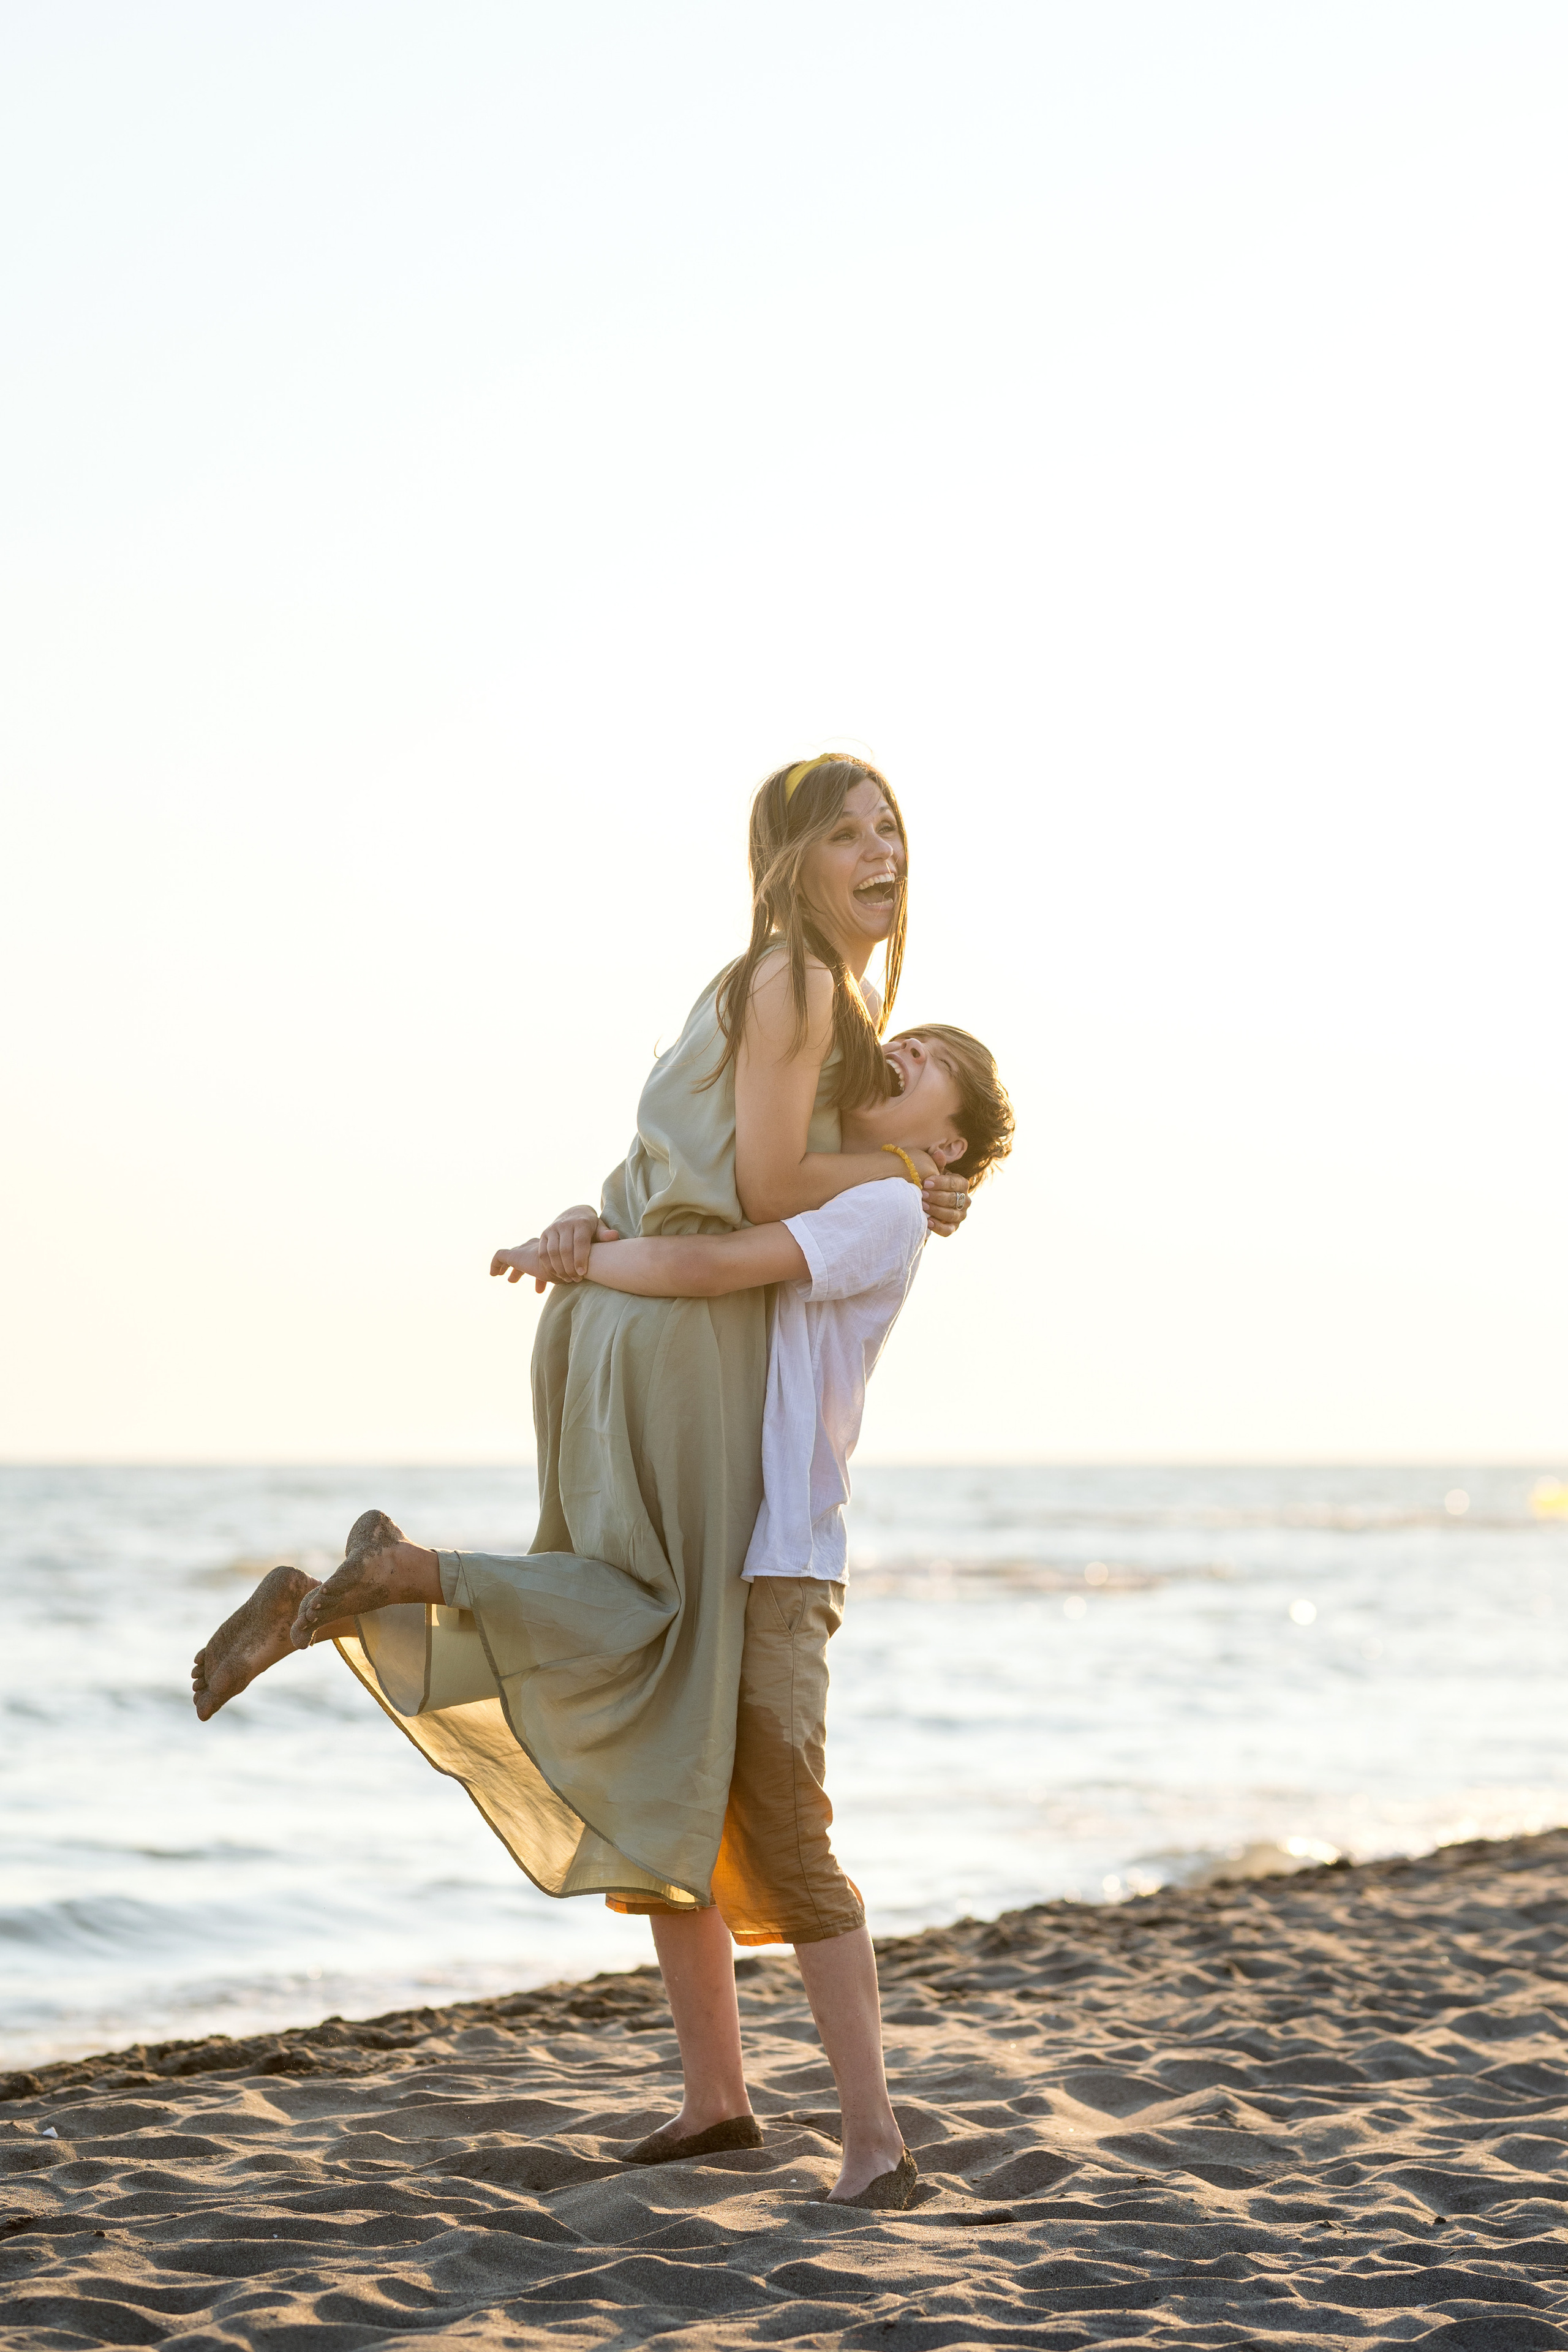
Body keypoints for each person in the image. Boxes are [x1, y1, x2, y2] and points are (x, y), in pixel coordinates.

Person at [190, 762, 969, 2009]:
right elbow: (765, 1191)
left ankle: (365, 1599)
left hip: (604, 1317)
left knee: (636, 1637)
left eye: (889, 828)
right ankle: (405, 1577)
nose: (881, 851)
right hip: (683, 1334)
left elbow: (672, 1167)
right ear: (790, 863)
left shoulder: (748, 990)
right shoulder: (805, 984)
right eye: (846, 835)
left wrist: (584, 1232)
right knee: (660, 1637)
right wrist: (903, 1172)